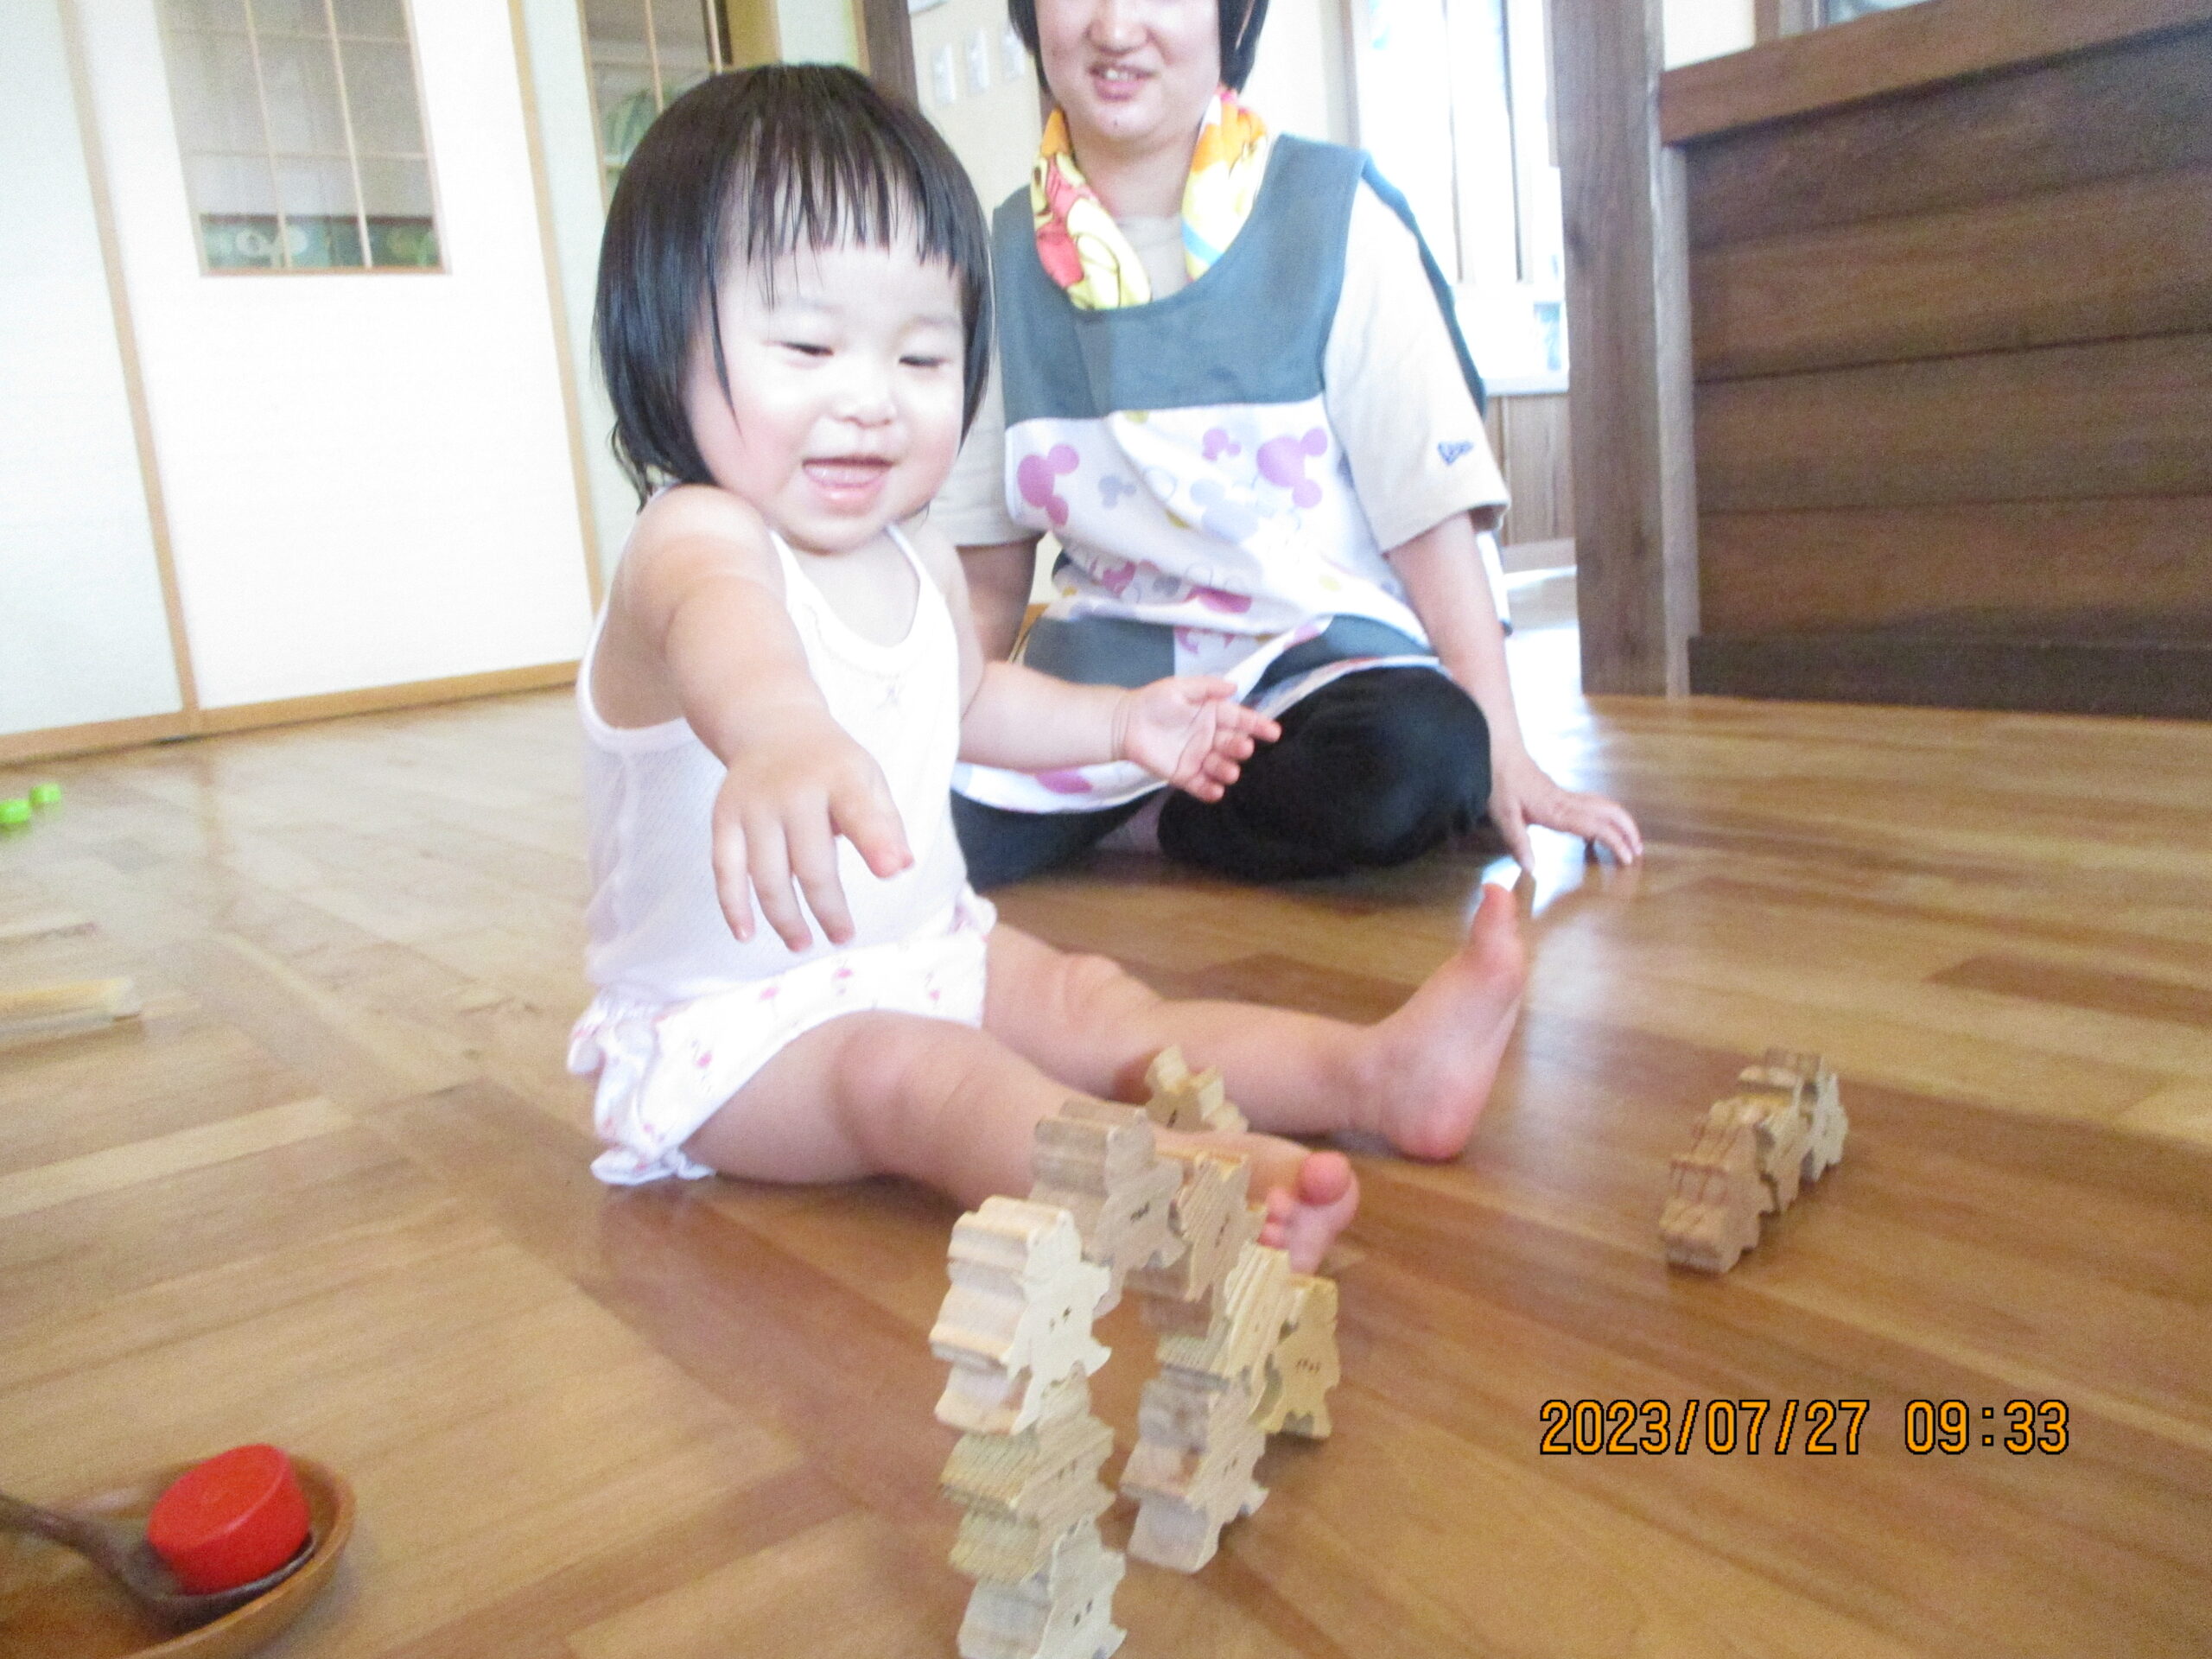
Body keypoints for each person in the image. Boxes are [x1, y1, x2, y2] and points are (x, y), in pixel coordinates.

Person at [567, 64, 1529, 1272]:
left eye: (922, 360)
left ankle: (1377, 1073)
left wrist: (1121, 725)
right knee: (921, 1079)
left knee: (1096, 1002)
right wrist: (780, 733)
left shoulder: (909, 557)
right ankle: (1177, 1193)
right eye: (808, 345)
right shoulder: (692, 536)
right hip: (739, 1038)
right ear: (662, 342)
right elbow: (730, 632)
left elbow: (969, 701)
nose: (871, 402)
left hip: (925, 950)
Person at [938, 0, 1642, 887]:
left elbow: (1427, 519)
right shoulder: (998, 260)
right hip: (1103, 705)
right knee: (898, 837)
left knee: (1429, 753)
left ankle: (1170, 819)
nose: (1115, 27)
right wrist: (919, 728)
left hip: (1316, 672)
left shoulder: (1335, 214)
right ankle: (1160, 803)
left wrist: (1505, 748)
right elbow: (985, 583)